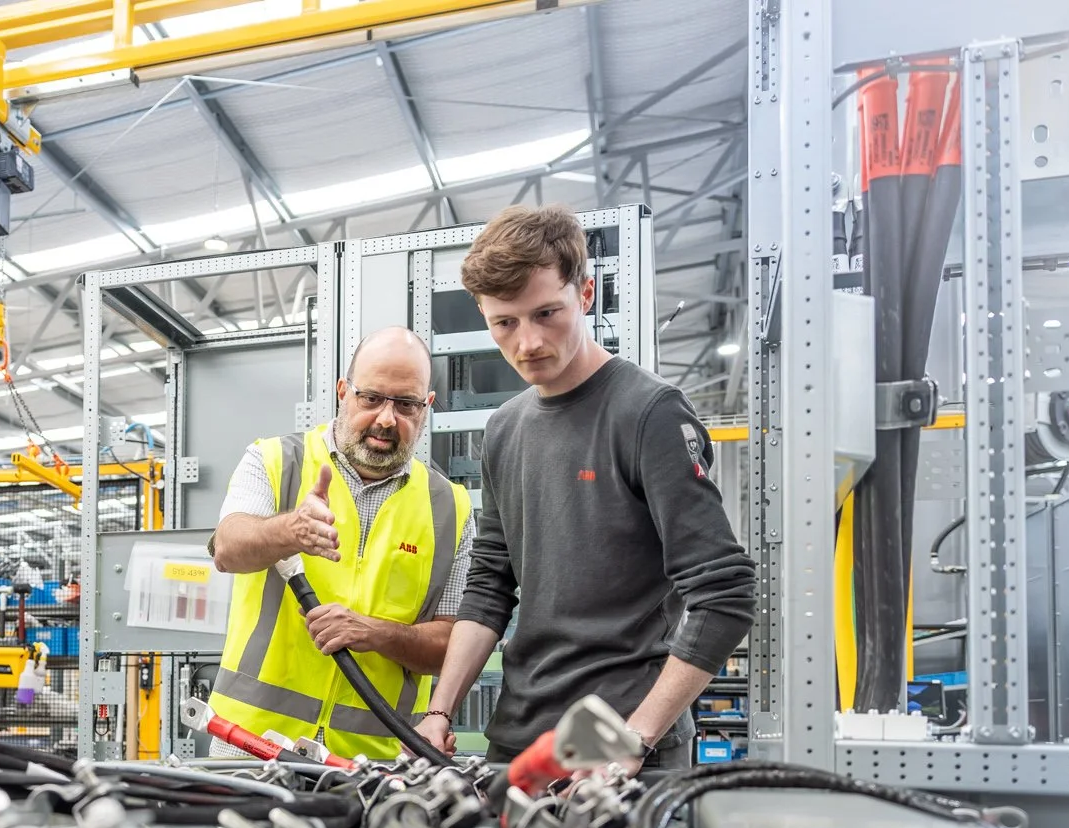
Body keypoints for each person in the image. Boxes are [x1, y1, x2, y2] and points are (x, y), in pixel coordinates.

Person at [413, 206, 755, 770]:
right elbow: (490, 585)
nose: (528, 343)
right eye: (505, 323)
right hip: (519, 739)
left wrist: (634, 738)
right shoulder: (503, 429)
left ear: (587, 292)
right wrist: (441, 711)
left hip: (623, 743)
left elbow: (726, 595)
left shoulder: (648, 414)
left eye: (547, 313)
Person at [207, 326, 474, 761]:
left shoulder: (453, 508)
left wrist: (375, 633)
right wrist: (289, 529)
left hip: (373, 759)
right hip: (251, 744)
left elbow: (451, 645)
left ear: (426, 408)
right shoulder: (274, 460)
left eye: (406, 404)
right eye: (371, 398)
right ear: (343, 392)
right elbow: (228, 549)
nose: (387, 419)